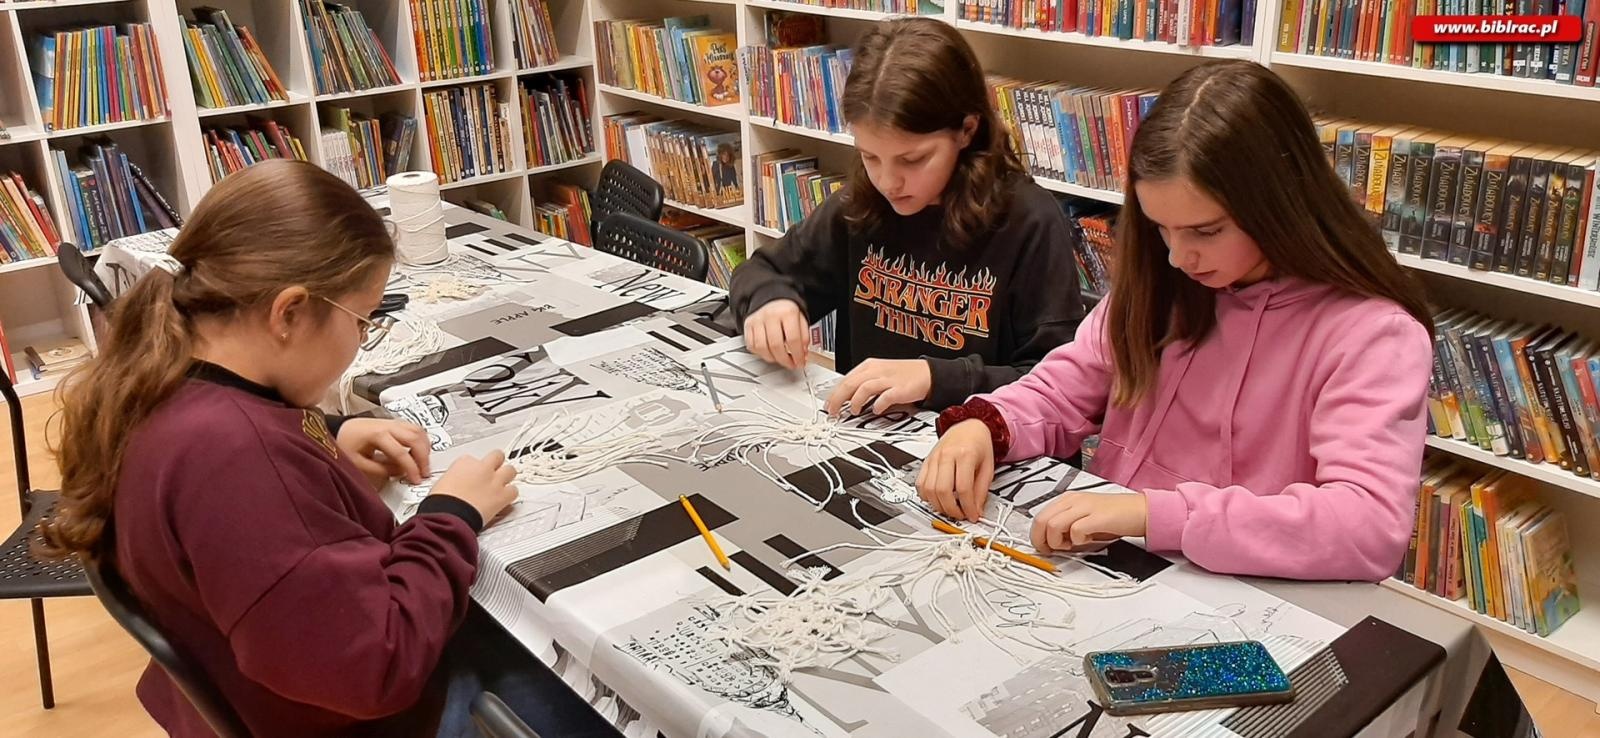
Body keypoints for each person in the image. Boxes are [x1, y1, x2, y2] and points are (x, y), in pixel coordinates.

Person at [39, 160, 615, 737]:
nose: (362, 340)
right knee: (600, 680)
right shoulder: (237, 460)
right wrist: (452, 515)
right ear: (288, 312)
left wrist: (329, 435)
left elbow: (254, 453)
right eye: (361, 319)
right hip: (361, 711)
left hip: (264, 687)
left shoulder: (159, 380)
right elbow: (374, 670)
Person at [916, 59, 1436, 583]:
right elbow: (1062, 390)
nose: (1177, 257)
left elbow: (1367, 526)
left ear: (1283, 206)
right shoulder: (1161, 285)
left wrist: (1156, 514)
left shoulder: (1374, 334)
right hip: (1115, 570)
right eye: (1160, 228)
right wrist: (986, 425)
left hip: (1254, 595)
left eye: (1206, 231)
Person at [729, 17, 1085, 416]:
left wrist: (937, 378)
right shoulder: (863, 204)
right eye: (869, 156)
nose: (887, 181)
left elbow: (1058, 386)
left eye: (913, 159)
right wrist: (769, 300)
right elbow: (762, 270)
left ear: (966, 131)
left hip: (978, 441)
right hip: (872, 437)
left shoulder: (1028, 220)